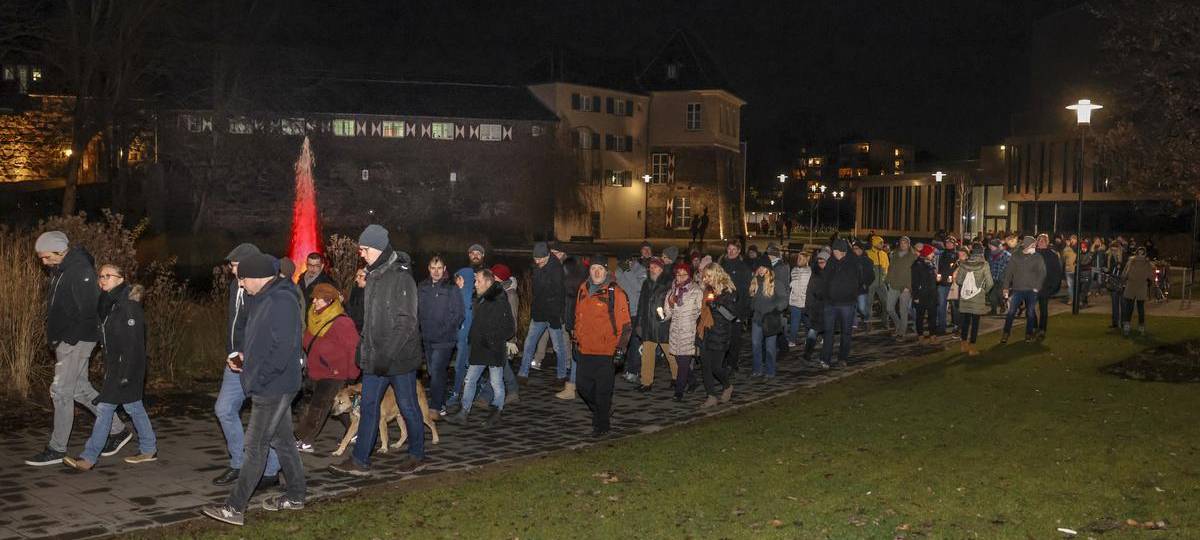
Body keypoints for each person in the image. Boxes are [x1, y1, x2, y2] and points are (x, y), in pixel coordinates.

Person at [203, 252, 306, 527]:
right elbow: (265, 341)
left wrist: (258, 376)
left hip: (273, 386)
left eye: (243, 279)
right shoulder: (264, 297)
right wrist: (246, 359)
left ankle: (233, 508)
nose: (240, 284)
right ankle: (296, 495)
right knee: (282, 441)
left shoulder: (282, 300)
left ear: (258, 277)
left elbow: (283, 349)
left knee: (255, 446)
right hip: (271, 382)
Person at [330, 225, 426, 477]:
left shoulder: (402, 278)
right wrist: (362, 348)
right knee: (368, 407)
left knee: (407, 406)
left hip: (400, 359)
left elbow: (407, 322)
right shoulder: (372, 276)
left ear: (378, 248)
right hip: (374, 359)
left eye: (364, 249)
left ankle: (417, 455)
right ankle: (360, 460)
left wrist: (387, 355)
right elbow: (371, 320)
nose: (361, 254)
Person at [27, 231, 129, 467]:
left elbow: (91, 310)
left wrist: (70, 339)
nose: (44, 262)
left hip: (77, 341)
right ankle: (118, 430)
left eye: (46, 256)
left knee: (60, 391)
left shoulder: (80, 271)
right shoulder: (62, 269)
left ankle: (56, 448)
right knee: (79, 389)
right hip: (68, 341)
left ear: (59, 251)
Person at [62, 264, 156, 470]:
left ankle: (88, 458)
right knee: (134, 407)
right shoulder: (107, 303)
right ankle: (149, 448)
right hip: (115, 367)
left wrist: (126, 374)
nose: (102, 279)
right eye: (100, 276)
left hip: (127, 368)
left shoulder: (128, 306)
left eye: (108, 276)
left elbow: (134, 345)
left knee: (104, 409)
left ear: (121, 279)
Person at [210, 243, 280, 487]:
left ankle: (271, 470)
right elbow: (235, 323)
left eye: (236, 266)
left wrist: (251, 355)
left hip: (259, 363)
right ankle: (239, 463)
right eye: (232, 266)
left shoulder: (266, 289)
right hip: (236, 362)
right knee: (224, 409)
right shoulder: (235, 286)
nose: (232, 271)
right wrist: (232, 352)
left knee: (265, 417)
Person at [295, 283, 360, 453]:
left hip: (335, 373)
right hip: (316, 372)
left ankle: (305, 440)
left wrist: (352, 375)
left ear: (330, 301)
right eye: (314, 298)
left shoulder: (342, 322)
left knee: (319, 407)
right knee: (336, 405)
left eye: (318, 299)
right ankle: (355, 431)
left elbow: (354, 349)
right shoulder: (314, 317)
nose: (314, 301)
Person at [572, 255, 632, 437]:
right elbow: (578, 317)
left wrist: (620, 349)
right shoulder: (583, 289)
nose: (596, 272)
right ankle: (602, 410)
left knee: (603, 392)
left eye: (600, 268)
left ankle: (602, 425)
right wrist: (575, 340)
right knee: (582, 387)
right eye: (593, 268)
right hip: (585, 349)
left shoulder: (615, 292)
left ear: (606, 271)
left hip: (607, 351)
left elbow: (625, 326)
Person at [448, 269, 514, 426]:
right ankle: (464, 412)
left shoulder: (499, 300)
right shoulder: (481, 298)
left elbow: (509, 327)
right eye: (475, 281)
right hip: (479, 348)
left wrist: (492, 340)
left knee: (496, 382)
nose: (475, 284)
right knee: (470, 379)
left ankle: (497, 411)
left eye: (478, 281)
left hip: (493, 349)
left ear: (489, 282)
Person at [417, 256, 465, 416]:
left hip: (445, 339)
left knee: (437, 370)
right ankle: (442, 402)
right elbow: (417, 310)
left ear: (444, 269)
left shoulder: (451, 288)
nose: (436, 272)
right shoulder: (422, 286)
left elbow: (459, 313)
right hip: (427, 337)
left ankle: (435, 407)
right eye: (433, 268)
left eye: (439, 268)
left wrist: (446, 330)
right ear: (428, 269)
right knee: (433, 372)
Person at [519, 242, 570, 390]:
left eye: (540, 259)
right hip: (539, 314)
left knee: (558, 347)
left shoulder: (557, 269)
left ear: (548, 256)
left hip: (553, 315)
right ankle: (523, 374)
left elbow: (559, 295)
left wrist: (557, 315)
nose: (538, 261)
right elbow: (537, 292)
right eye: (536, 258)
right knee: (529, 343)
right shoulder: (537, 267)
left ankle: (561, 376)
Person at [476, 263, 520, 406]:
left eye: (493, 277)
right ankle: (511, 392)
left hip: (505, 338)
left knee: (498, 365)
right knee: (500, 366)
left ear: (500, 278)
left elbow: (513, 318)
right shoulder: (496, 292)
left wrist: (510, 340)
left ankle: (486, 397)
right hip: (496, 336)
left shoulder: (510, 295)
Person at [822, 239, 871, 366]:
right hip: (830, 303)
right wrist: (826, 295)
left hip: (847, 304)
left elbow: (860, 279)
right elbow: (825, 280)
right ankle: (825, 359)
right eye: (833, 251)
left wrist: (851, 292)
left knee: (846, 332)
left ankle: (842, 358)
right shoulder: (831, 262)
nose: (834, 253)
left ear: (843, 251)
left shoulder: (853, 263)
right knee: (828, 331)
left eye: (836, 251)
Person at [697, 264, 737, 407]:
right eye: (704, 276)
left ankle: (727, 386)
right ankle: (711, 396)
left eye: (708, 276)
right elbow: (702, 311)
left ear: (717, 274)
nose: (705, 279)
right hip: (705, 331)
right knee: (705, 366)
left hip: (720, 333)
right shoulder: (708, 290)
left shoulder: (728, 291)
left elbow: (731, 315)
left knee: (716, 367)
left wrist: (715, 306)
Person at [663, 262, 703, 401]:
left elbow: (701, 311)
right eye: (678, 274)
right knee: (679, 361)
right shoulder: (671, 291)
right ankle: (693, 381)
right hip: (675, 330)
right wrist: (670, 304)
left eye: (684, 274)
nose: (680, 277)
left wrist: (696, 325)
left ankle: (678, 391)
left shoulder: (696, 291)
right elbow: (667, 314)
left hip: (689, 330)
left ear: (689, 275)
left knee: (684, 362)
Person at [634, 257, 675, 392]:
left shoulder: (669, 283)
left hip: (663, 325)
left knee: (670, 354)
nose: (652, 269)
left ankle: (677, 378)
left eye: (655, 267)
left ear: (661, 269)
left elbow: (672, 304)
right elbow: (641, 304)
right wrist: (639, 323)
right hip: (648, 324)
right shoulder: (646, 283)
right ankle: (646, 382)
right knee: (647, 355)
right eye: (651, 267)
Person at [1000, 236, 1046, 344]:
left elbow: (1042, 273)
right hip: (1018, 289)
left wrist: (1037, 287)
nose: (1035, 247)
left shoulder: (1038, 257)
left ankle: (1028, 333)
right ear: (1027, 245)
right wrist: (1005, 287)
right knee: (1011, 312)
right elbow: (1009, 272)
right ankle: (1006, 333)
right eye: (1033, 245)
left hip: (1032, 290)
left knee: (1030, 313)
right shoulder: (1015, 256)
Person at [719, 239, 752, 377]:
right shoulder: (722, 265)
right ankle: (723, 361)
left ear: (739, 251)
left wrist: (742, 312)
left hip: (736, 308)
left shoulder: (743, 268)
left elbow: (745, 292)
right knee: (722, 336)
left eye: (734, 249)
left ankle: (732, 363)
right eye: (729, 249)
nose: (731, 252)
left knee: (734, 338)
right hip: (722, 308)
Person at [749, 258, 786, 378]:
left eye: (763, 267)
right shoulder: (754, 282)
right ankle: (757, 369)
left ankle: (770, 370)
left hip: (770, 319)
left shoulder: (776, 283)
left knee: (770, 347)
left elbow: (783, 299)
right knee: (755, 344)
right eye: (759, 267)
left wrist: (775, 309)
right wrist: (751, 306)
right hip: (757, 318)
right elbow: (751, 301)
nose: (761, 269)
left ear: (769, 269)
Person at [954, 246, 994, 355]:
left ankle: (963, 344)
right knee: (975, 322)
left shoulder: (964, 264)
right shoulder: (984, 265)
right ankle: (972, 347)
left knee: (965, 321)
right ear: (981, 253)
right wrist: (984, 291)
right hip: (978, 297)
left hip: (965, 296)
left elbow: (958, 281)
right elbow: (990, 283)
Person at [615, 255, 647, 385]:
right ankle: (627, 369)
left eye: (628, 260)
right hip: (622, 312)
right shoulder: (619, 270)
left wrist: (627, 272)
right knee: (623, 342)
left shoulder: (641, 270)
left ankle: (634, 371)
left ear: (632, 259)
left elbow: (640, 287)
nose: (626, 262)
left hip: (636, 313)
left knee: (635, 343)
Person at [885, 236, 916, 340]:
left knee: (903, 311)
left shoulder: (913, 256)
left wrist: (909, 286)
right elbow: (890, 268)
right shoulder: (894, 254)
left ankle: (902, 332)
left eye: (905, 243)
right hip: (893, 285)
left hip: (905, 287)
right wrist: (888, 281)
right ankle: (898, 325)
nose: (903, 245)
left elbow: (914, 273)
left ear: (909, 244)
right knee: (889, 308)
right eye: (901, 242)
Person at [803, 251, 829, 366]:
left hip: (828, 308)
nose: (821, 264)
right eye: (819, 262)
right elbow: (809, 291)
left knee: (828, 333)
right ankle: (807, 354)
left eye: (823, 262)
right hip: (817, 308)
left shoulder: (832, 273)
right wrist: (808, 307)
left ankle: (825, 357)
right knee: (813, 331)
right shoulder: (815, 273)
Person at [1035, 234, 1063, 340]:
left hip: (1045, 286)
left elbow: (1056, 271)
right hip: (1032, 286)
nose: (1041, 242)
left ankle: (1042, 329)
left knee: (1043, 309)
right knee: (1030, 308)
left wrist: (1053, 286)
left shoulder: (1052, 255)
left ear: (1047, 242)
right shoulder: (1032, 253)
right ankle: (1034, 326)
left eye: (1043, 240)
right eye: (1039, 240)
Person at [1121, 247, 1153, 336]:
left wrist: (1124, 280)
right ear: (1145, 254)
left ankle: (1127, 327)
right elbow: (1150, 276)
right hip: (1141, 287)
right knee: (1141, 308)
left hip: (1131, 286)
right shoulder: (1147, 263)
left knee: (1129, 308)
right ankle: (1141, 327)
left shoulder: (1131, 261)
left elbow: (1125, 274)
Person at [910, 245, 939, 342]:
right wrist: (916, 296)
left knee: (932, 316)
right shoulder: (917, 265)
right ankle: (920, 335)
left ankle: (933, 335)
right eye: (931, 253)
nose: (933, 255)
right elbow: (914, 282)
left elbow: (932, 279)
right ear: (926, 253)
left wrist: (937, 279)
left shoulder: (931, 263)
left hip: (932, 294)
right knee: (920, 316)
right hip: (921, 295)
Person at [935, 236, 960, 334]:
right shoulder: (941, 254)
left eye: (950, 243)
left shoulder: (957, 255)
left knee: (954, 306)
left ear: (954, 244)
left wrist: (954, 278)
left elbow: (959, 268)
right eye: (947, 243)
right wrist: (938, 277)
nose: (948, 244)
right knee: (941, 305)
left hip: (953, 284)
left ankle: (956, 325)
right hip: (942, 283)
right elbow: (938, 267)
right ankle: (942, 327)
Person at [865, 235, 890, 331]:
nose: (882, 244)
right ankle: (868, 324)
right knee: (869, 304)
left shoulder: (884, 254)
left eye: (882, 243)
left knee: (886, 302)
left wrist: (885, 279)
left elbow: (887, 267)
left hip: (882, 283)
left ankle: (885, 322)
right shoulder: (867, 253)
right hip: (871, 283)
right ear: (875, 243)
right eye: (880, 243)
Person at [787, 252, 812, 347]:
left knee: (808, 322)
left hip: (805, 302)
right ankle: (792, 340)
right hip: (794, 301)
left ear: (806, 260)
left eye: (801, 258)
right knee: (794, 322)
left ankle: (810, 339)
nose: (798, 260)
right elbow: (791, 284)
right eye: (798, 258)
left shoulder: (810, 272)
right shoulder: (793, 270)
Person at [851, 241, 875, 331]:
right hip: (852, 288)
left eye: (856, 248)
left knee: (862, 308)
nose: (854, 250)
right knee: (852, 307)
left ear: (861, 249)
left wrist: (866, 284)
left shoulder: (868, 261)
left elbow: (872, 276)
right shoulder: (850, 260)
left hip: (862, 289)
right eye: (853, 249)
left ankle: (867, 319)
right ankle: (854, 325)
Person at [986, 239, 1011, 315]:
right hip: (993, 278)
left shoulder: (1006, 255)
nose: (990, 247)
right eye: (990, 246)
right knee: (992, 295)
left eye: (992, 246)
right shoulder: (991, 254)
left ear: (997, 246)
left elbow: (1010, 268)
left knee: (1000, 295)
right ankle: (993, 310)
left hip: (1002, 279)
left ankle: (1003, 306)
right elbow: (989, 265)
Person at [1105, 240, 1126, 328]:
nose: (1114, 252)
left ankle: (1123, 322)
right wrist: (1107, 270)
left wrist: (1120, 265)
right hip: (1113, 281)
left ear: (1119, 249)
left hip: (1122, 281)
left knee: (1123, 303)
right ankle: (1115, 322)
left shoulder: (1124, 256)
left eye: (1115, 250)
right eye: (1112, 250)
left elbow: (1126, 269)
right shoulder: (1109, 256)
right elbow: (1108, 269)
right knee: (1114, 303)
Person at [1062, 236, 1078, 305]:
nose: (1072, 241)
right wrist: (1067, 247)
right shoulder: (1067, 249)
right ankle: (1071, 299)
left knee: (1076, 285)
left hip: (1077, 269)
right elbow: (1064, 257)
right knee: (1070, 286)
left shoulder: (1078, 247)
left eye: (1074, 239)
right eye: (1071, 239)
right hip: (1069, 270)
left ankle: (1077, 299)